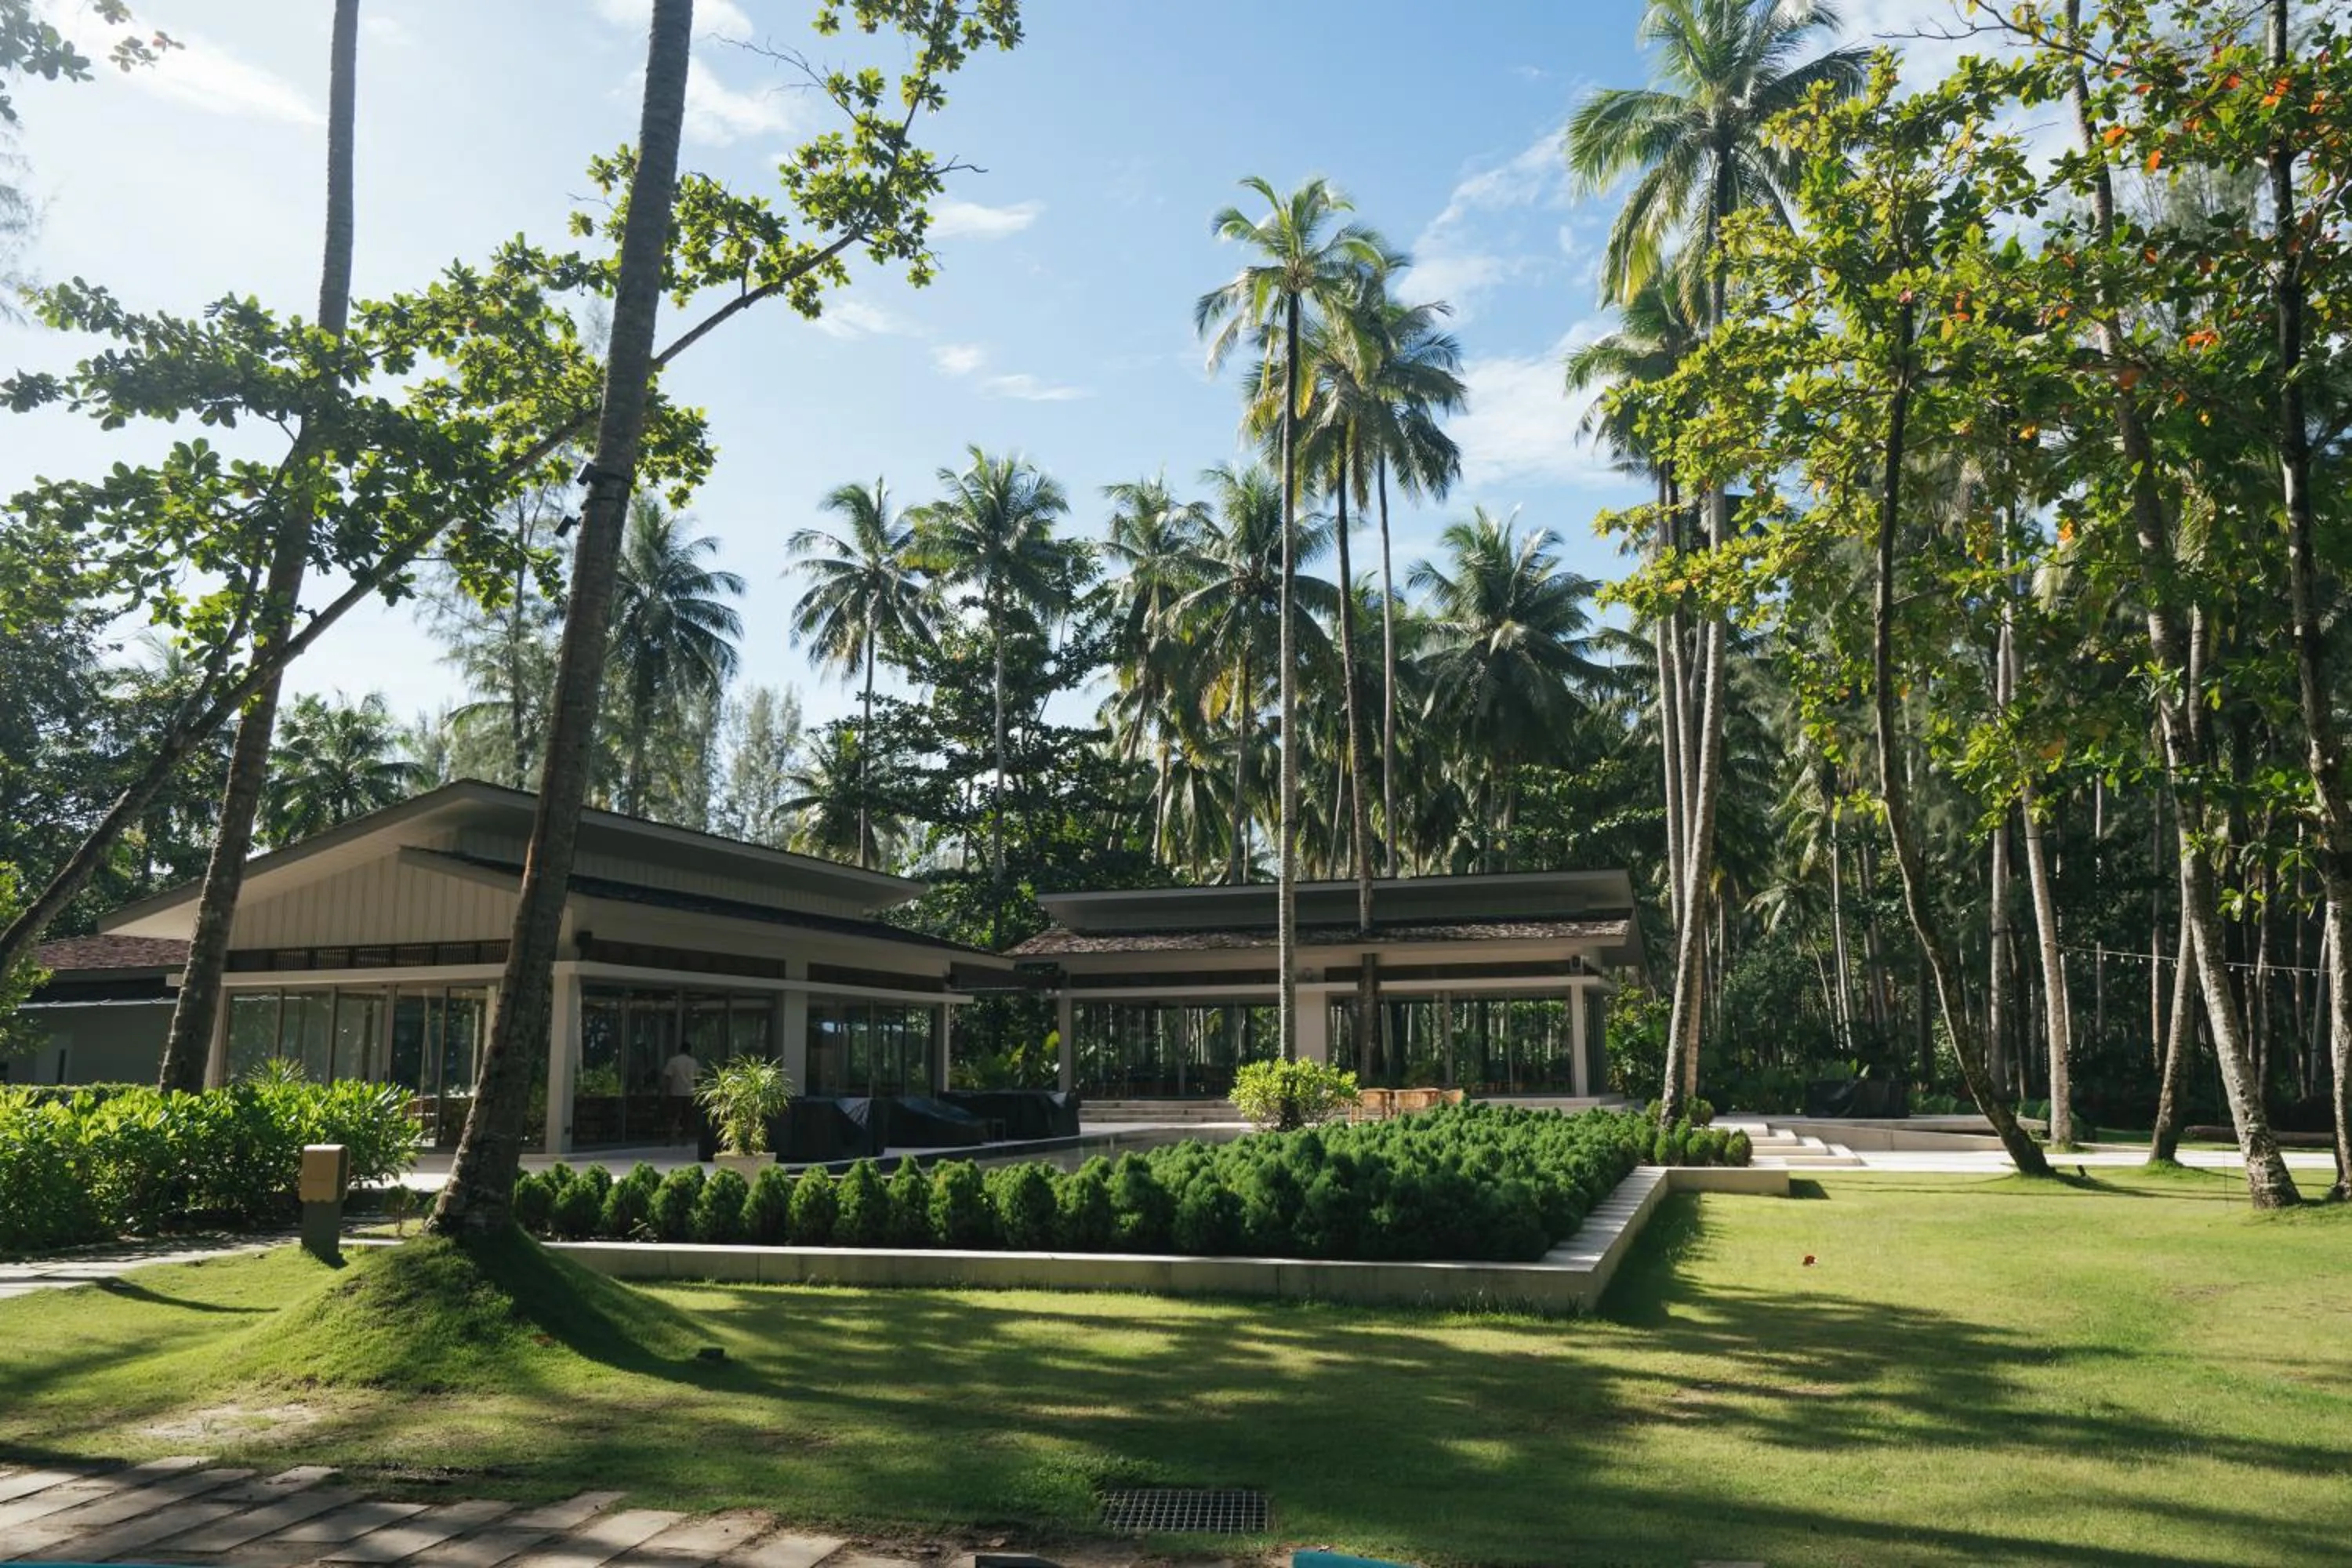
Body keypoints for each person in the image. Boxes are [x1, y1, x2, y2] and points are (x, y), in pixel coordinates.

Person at [662, 1042, 700, 1142]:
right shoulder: (693, 1062)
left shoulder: (673, 1061)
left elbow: (668, 1077)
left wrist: (666, 1091)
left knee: (674, 1116)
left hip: (676, 1092)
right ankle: (685, 1138)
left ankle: (671, 1136)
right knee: (687, 1117)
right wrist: (699, 1091)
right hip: (690, 1092)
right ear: (689, 1050)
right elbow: (697, 1078)